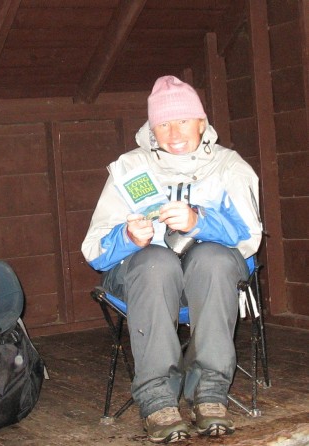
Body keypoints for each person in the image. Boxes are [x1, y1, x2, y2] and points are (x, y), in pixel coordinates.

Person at [81, 75, 262, 443]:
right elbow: (95, 250)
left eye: (182, 120)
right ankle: (157, 400)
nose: (173, 132)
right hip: (144, 280)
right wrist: (128, 237)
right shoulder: (130, 169)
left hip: (210, 281)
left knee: (211, 258)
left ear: (201, 122)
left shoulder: (229, 167)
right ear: (151, 127)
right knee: (155, 263)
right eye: (162, 123)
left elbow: (249, 239)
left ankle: (210, 393)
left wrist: (201, 222)